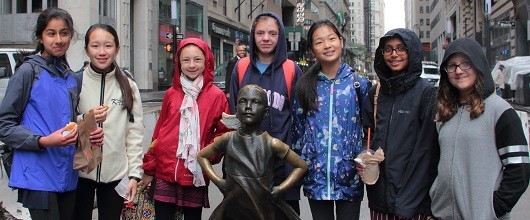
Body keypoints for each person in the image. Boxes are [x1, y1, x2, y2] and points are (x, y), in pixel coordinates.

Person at [0, 7, 103, 220]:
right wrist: (44, 141)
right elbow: (4, 125)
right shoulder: (28, 71)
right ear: (41, 36)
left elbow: (67, 121)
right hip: (36, 174)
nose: (58, 39)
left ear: (71, 36)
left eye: (64, 33)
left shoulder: (70, 77)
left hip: (67, 172)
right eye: (51, 33)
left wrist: (87, 130)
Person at [430, 38, 530, 220]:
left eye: (465, 63)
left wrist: (493, 208)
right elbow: (436, 163)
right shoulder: (444, 113)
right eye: (451, 66)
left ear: (478, 64)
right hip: (442, 215)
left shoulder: (501, 112)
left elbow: (519, 170)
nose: (458, 71)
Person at [140, 38, 230, 220]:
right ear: (178, 63)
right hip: (165, 170)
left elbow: (224, 133)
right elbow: (158, 133)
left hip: (195, 173)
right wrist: (149, 168)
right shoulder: (171, 94)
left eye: (197, 59)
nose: (191, 65)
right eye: (186, 60)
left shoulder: (216, 96)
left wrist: (206, 155)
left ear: (207, 61)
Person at [291, 20, 371, 220]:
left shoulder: (359, 84)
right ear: (311, 50)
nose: (327, 45)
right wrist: (305, 164)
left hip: (349, 177)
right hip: (315, 178)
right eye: (319, 42)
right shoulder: (304, 86)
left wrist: (362, 158)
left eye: (331, 39)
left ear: (341, 42)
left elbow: (369, 130)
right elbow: (298, 132)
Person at [227, 12, 304, 214]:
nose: (266, 38)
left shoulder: (291, 69)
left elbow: (299, 118)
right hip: (246, 164)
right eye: (260, 33)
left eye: (272, 33)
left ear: (280, 36)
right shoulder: (241, 67)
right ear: (253, 36)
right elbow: (234, 114)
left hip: (280, 164)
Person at [358, 28, 438, 219]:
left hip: (413, 202)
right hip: (379, 199)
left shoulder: (426, 93)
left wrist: (417, 202)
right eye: (388, 49)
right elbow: (366, 135)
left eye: (401, 48)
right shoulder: (376, 93)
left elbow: (428, 152)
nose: (394, 54)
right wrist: (364, 156)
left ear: (413, 51)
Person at [198, 84, 307, 220]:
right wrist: (219, 182)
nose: (248, 106)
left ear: (266, 112)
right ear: (236, 110)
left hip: (263, 209)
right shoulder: (227, 139)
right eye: (243, 101)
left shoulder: (272, 143)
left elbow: (301, 166)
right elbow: (202, 156)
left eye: (255, 102)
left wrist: (280, 189)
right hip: (233, 209)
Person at [73, 23, 144, 220]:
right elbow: (64, 125)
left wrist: (134, 175)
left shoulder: (128, 86)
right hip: (79, 174)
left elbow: (135, 133)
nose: (102, 52)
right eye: (95, 46)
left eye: (108, 46)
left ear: (117, 49)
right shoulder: (75, 82)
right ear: (87, 49)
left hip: (116, 174)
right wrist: (86, 120)